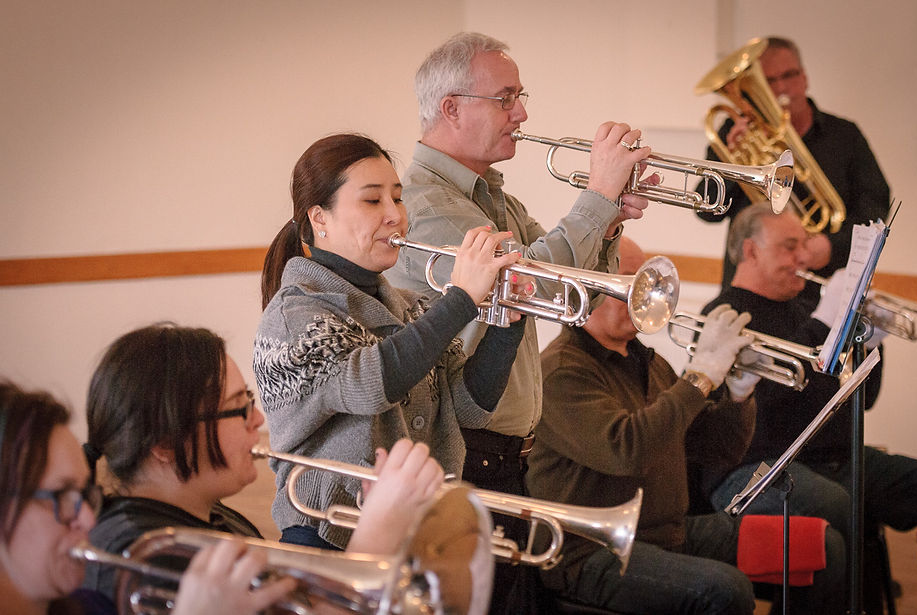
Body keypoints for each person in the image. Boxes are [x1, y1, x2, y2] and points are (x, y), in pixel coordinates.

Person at [382, 32, 653, 613]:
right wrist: (599, 193)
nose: (522, 113)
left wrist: (609, 221)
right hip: (466, 452)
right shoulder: (426, 206)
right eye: (505, 98)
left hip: (504, 454)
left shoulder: (490, 197)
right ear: (452, 108)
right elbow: (528, 284)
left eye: (519, 97)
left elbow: (572, 291)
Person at [524, 237, 846, 614]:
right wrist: (699, 376)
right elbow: (628, 449)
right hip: (591, 552)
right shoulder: (561, 371)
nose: (640, 294)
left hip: (667, 534)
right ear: (585, 289)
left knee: (821, 547)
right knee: (725, 590)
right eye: (625, 281)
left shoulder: (650, 363)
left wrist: (738, 392)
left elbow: (717, 450)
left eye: (645, 281)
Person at [702, 203, 917, 615]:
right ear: (751, 251)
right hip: (763, 465)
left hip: (834, 459)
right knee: (835, 503)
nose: (802, 257)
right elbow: (771, 407)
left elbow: (863, 399)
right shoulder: (724, 315)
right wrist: (823, 323)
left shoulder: (803, 309)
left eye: (804, 246)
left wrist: (869, 342)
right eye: (789, 246)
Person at [255, 132, 525, 553]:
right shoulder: (295, 315)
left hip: (416, 532)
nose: (394, 216)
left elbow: (468, 408)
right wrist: (461, 299)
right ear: (319, 218)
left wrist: (510, 320)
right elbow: (369, 383)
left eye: (397, 199)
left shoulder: (411, 307)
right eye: (372, 200)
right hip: (326, 537)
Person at [79, 324, 447, 611]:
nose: (257, 419)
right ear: (166, 444)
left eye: (250, 400)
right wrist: (377, 535)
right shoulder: (145, 556)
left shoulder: (209, 518)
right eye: (238, 407)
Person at [0, 379, 294, 615]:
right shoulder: (125, 555)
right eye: (62, 496)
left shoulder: (92, 606)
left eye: (84, 494)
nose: (88, 519)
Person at [697, 35, 891, 310]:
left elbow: (874, 208)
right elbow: (706, 212)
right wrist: (731, 164)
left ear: (804, 77)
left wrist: (832, 246)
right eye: (768, 80)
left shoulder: (844, 136)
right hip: (752, 293)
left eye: (789, 75)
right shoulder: (733, 133)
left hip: (823, 292)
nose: (781, 88)